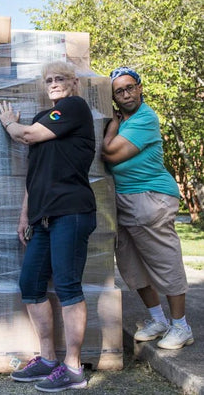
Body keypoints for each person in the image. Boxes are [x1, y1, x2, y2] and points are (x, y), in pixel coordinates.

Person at [0, 61, 96, 393]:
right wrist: (25, 216)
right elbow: (33, 176)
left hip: (71, 211)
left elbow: (24, 135)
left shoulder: (73, 107)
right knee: (31, 284)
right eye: (49, 80)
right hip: (42, 218)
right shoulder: (44, 117)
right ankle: (49, 359)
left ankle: (74, 368)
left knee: (67, 286)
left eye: (60, 78)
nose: (54, 83)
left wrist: (11, 123)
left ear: (74, 83)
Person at [102, 66, 194, 350]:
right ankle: (158, 320)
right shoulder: (124, 119)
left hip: (150, 196)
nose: (126, 93)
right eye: (119, 91)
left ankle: (181, 326)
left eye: (130, 87)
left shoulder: (144, 118)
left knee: (164, 262)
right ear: (114, 97)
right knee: (131, 265)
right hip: (124, 199)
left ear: (140, 88)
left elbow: (111, 154)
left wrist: (113, 126)